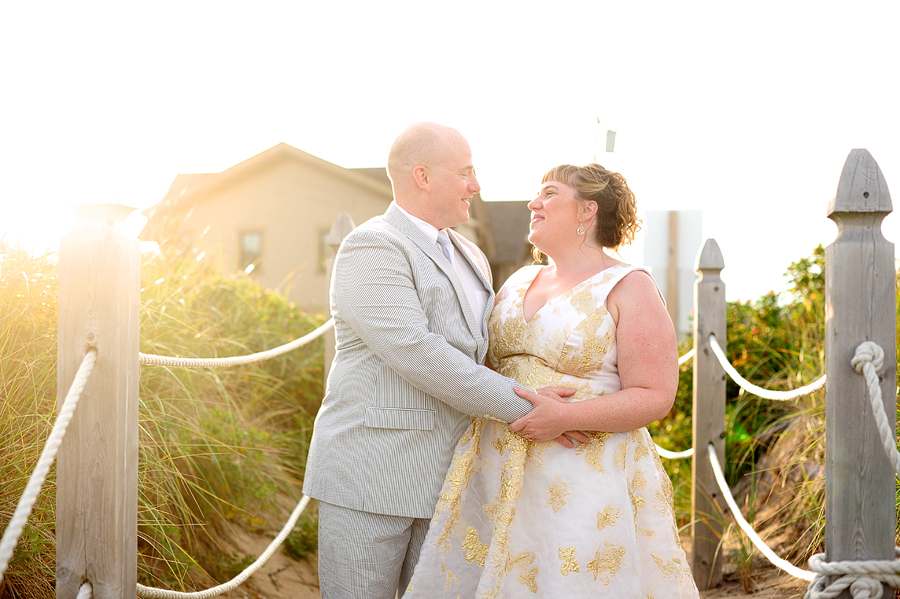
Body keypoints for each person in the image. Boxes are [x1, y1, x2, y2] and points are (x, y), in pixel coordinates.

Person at [302, 122, 584, 599]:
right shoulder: (372, 247)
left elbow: (481, 353)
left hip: (453, 483)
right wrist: (530, 406)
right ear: (423, 176)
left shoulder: (470, 253)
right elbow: (418, 351)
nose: (476, 185)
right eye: (466, 172)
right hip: (371, 478)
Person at [405, 163, 701, 597]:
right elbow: (485, 368)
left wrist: (566, 415)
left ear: (587, 211)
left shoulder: (629, 285)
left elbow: (656, 395)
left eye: (549, 194)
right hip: (494, 469)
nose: (533, 203)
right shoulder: (518, 280)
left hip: (583, 474)